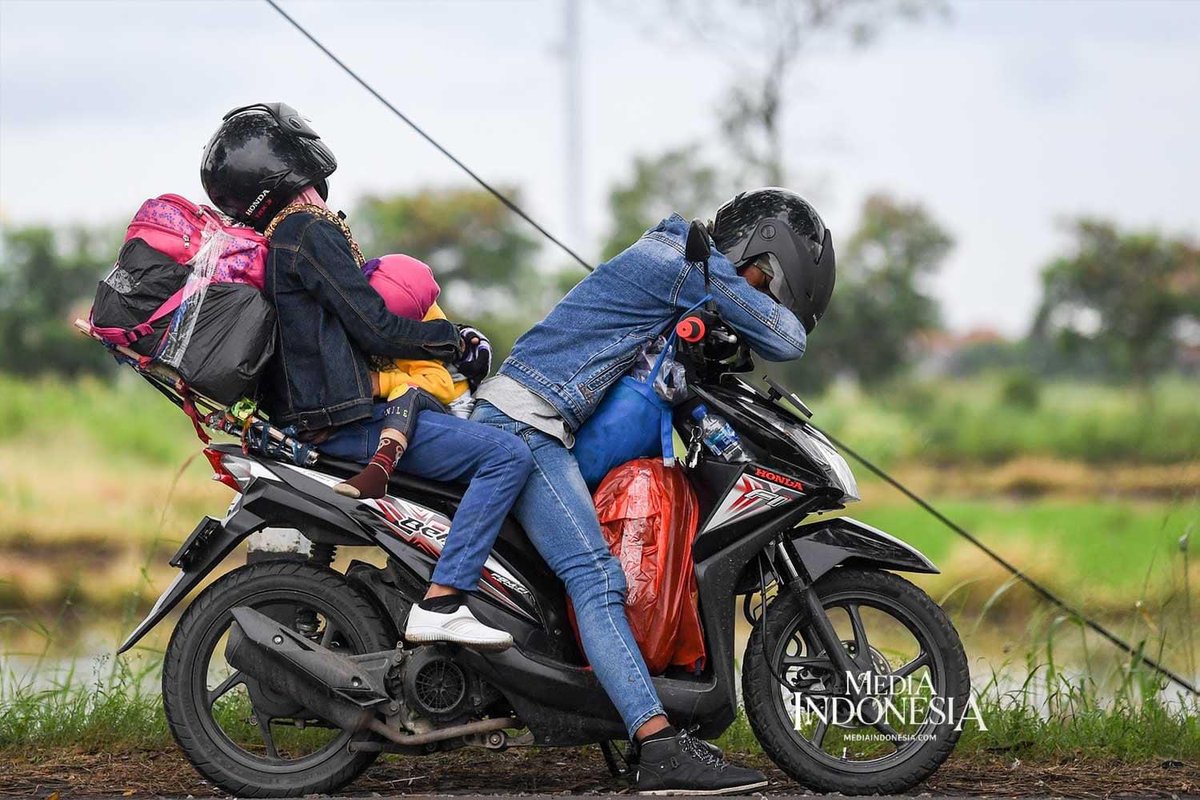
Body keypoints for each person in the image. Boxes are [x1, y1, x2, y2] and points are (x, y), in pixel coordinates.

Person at [471, 188, 835, 795]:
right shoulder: (682, 264)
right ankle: (659, 745)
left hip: (534, 425)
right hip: (524, 428)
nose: (754, 293)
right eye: (762, 281)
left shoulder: (678, 265)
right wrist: (740, 298)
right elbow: (788, 341)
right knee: (597, 579)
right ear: (757, 253)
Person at [200, 102, 531, 652]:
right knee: (506, 456)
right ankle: (444, 603)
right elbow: (375, 328)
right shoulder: (307, 231)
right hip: (345, 423)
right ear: (284, 161)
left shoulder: (284, 239)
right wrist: (453, 341)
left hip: (316, 419)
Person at [334, 254, 485, 499]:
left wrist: (382, 383)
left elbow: (442, 385)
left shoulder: (418, 340)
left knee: (407, 391)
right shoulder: (411, 308)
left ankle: (379, 470)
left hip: (453, 410)